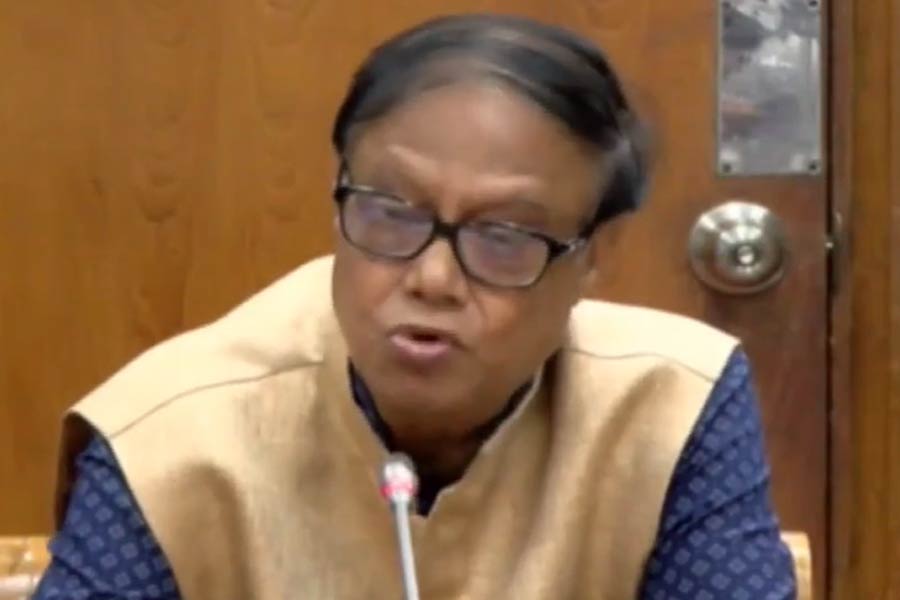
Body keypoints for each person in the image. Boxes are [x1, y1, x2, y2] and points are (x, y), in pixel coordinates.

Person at [35, 13, 796, 600]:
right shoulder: (173, 429)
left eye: (504, 236)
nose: (433, 278)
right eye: (392, 213)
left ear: (594, 254)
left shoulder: (671, 403)